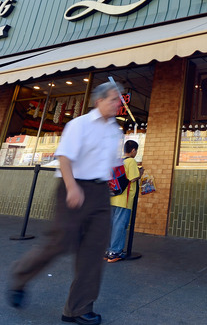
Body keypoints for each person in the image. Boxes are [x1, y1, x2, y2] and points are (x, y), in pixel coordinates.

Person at [7, 82, 124, 325]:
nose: (117, 103)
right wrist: (72, 187)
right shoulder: (79, 124)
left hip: (100, 194)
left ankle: (78, 309)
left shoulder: (116, 130)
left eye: (118, 99)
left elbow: (111, 163)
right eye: (113, 99)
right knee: (59, 243)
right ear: (99, 101)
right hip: (73, 188)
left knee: (93, 252)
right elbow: (64, 157)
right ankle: (20, 276)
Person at [104, 139, 142, 262]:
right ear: (133, 150)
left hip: (112, 197)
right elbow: (134, 177)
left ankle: (108, 251)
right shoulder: (131, 161)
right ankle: (115, 253)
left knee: (111, 225)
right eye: (136, 150)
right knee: (120, 226)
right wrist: (141, 172)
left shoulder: (118, 161)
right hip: (124, 200)